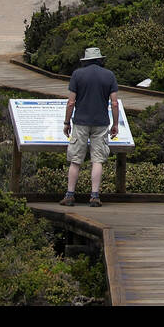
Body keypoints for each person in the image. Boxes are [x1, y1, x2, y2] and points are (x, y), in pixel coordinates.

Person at [61, 46, 120, 207]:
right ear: (100, 59)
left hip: (80, 122)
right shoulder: (109, 75)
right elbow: (114, 103)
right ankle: (94, 196)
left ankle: (70, 195)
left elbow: (71, 102)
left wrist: (67, 122)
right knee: (97, 160)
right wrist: (115, 124)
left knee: (75, 160)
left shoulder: (77, 75)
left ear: (85, 60)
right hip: (101, 123)